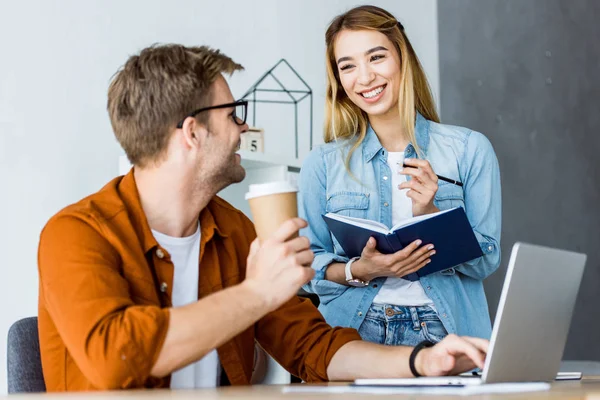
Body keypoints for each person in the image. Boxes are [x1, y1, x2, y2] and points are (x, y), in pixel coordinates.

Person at [37, 43, 488, 392]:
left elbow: (312, 346)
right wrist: (256, 294)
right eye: (234, 115)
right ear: (193, 132)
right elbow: (115, 356)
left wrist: (421, 361)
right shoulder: (76, 234)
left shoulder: (234, 232)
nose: (244, 129)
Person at [299, 5, 501, 347]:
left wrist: (433, 216)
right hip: (354, 332)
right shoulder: (322, 162)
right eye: (347, 66)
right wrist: (359, 271)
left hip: (446, 331)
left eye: (376, 57)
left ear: (402, 58)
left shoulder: (469, 149)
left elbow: (486, 262)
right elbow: (307, 270)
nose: (364, 78)